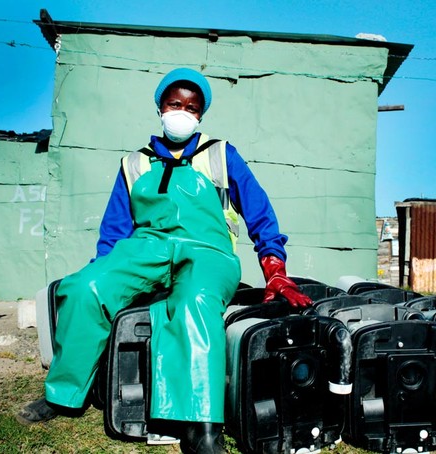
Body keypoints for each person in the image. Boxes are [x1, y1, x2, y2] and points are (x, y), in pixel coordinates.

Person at [16, 67, 312, 453]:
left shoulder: (221, 154)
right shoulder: (133, 164)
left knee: (195, 302)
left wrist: (274, 268)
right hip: (146, 248)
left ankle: (200, 427)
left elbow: (259, 211)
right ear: (160, 106)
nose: (182, 112)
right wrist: (106, 271)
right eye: (175, 103)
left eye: (192, 107)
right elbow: (114, 230)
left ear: (200, 116)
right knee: (85, 287)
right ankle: (64, 394)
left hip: (208, 251)